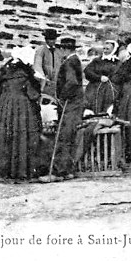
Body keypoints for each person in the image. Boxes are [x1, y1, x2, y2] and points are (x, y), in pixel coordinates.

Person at [0, 46, 43, 181]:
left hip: (5, 106)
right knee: (22, 135)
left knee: (7, 135)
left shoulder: (6, 71)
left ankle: (6, 169)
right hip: (22, 107)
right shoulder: (25, 74)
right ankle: (21, 169)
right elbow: (33, 94)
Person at [52, 36, 85, 180]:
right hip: (75, 103)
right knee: (69, 136)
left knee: (64, 136)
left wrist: (62, 97)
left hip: (70, 104)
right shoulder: (74, 60)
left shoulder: (70, 62)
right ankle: (67, 170)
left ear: (64, 49)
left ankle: (61, 171)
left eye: (60, 49)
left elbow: (71, 82)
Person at [83, 40, 120, 114]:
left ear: (114, 50)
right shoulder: (97, 60)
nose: (105, 51)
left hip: (109, 89)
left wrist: (109, 79)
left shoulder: (117, 62)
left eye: (108, 49)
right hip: (94, 88)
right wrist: (99, 77)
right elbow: (87, 71)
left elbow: (119, 75)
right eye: (104, 49)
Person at [34, 28, 61, 99]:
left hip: (56, 83)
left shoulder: (58, 51)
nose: (52, 41)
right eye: (50, 39)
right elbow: (37, 66)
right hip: (45, 83)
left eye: (54, 39)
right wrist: (44, 78)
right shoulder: (41, 50)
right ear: (46, 40)